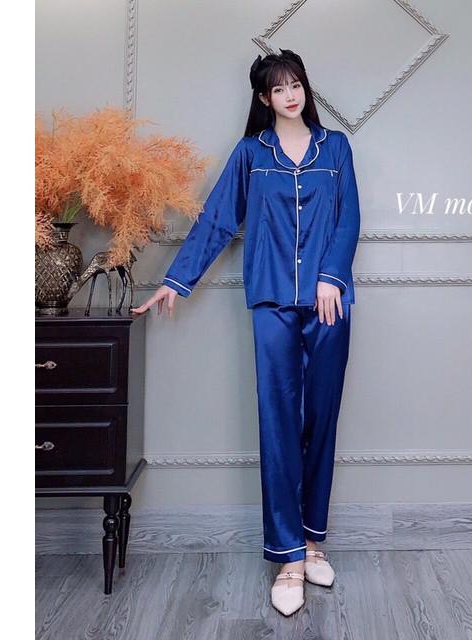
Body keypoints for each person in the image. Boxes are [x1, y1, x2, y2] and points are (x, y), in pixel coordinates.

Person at [131, 48, 361, 616]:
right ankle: (288, 559)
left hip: (329, 303)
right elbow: (217, 218)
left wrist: (331, 276)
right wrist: (176, 281)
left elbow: (349, 217)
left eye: (295, 84)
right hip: (271, 302)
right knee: (278, 425)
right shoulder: (250, 154)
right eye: (278, 88)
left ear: (305, 88)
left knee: (322, 419)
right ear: (264, 98)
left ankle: (312, 541)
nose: (290, 95)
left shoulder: (336, 148)